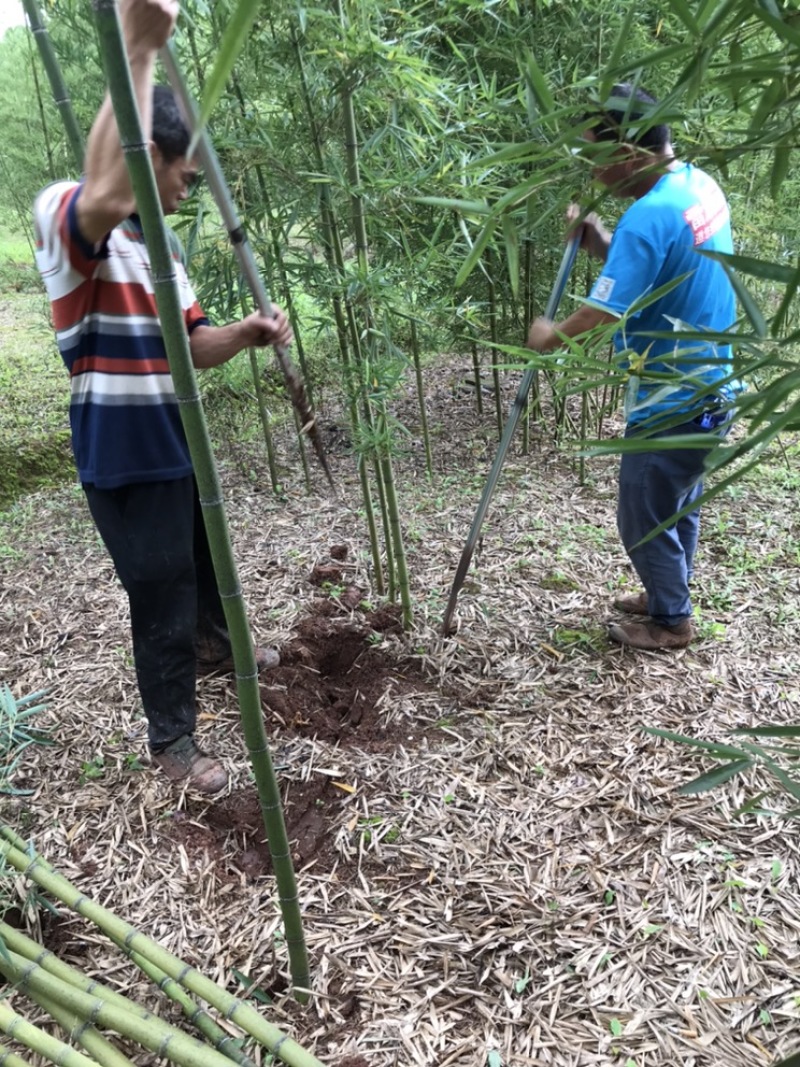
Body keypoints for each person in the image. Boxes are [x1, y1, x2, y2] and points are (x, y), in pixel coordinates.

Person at [33, 0, 293, 792]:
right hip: (124, 451)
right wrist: (136, 43)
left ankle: (217, 642)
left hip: (178, 443)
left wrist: (245, 333)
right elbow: (109, 193)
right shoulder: (70, 218)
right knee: (160, 589)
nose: (189, 188)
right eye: (183, 174)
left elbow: (196, 346)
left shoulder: (162, 246)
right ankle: (172, 743)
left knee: (202, 566)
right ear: (154, 159)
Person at [526, 83, 738, 652]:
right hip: (711, 385)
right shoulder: (694, 184)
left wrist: (549, 337)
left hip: (672, 399)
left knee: (643, 514)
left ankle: (672, 621)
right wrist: (600, 244)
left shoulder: (647, 216)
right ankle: (668, 590)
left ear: (628, 152)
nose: (591, 171)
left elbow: (603, 312)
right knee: (674, 505)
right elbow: (663, 262)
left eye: (594, 156)